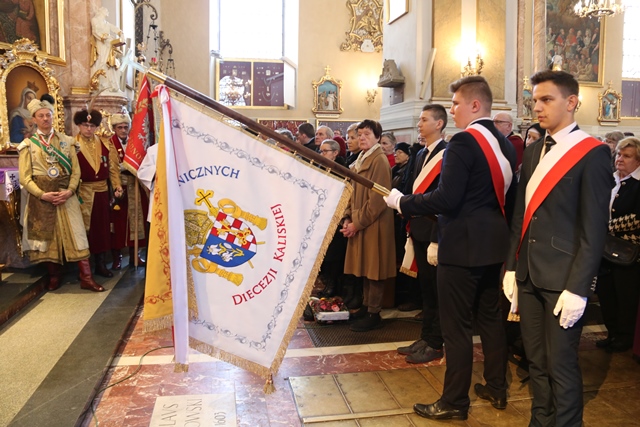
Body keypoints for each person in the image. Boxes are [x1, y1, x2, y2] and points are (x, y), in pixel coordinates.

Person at [384, 76, 517, 420]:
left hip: (461, 247)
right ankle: (496, 387)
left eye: (456, 103)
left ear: (475, 105)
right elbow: (508, 198)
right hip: (493, 245)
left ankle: (455, 401)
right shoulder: (504, 144)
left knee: (455, 327)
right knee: (490, 319)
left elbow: (447, 198)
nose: (453, 109)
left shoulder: (463, 142)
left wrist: (403, 202)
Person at [503, 70, 612, 427]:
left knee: (561, 364)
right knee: (535, 360)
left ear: (571, 102)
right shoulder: (534, 150)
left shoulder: (593, 153)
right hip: (529, 274)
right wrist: (511, 267)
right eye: (535, 100)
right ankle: (540, 421)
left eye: (546, 99)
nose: (537, 107)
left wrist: (580, 288)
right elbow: (520, 215)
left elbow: (594, 229)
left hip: (564, 279)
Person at [18, 99, 104, 292]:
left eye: (48, 115)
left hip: (67, 195)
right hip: (42, 199)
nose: (45, 119)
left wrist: (70, 190)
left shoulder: (68, 141)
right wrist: (42, 195)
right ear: (34, 119)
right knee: (48, 239)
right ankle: (54, 276)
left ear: (53, 117)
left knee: (78, 235)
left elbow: (76, 171)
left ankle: (86, 277)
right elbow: (25, 177)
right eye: (41, 116)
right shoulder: (28, 145)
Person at [395, 103, 448, 364]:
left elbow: (442, 201)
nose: (419, 123)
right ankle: (426, 336)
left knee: (437, 290)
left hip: (434, 231)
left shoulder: (447, 154)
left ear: (439, 124)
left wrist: (436, 237)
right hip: (418, 228)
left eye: (424, 119)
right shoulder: (420, 154)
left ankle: (436, 342)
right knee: (425, 288)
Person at [341, 119, 396, 332]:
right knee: (365, 267)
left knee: (375, 268)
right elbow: (351, 191)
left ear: (377, 138)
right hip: (361, 221)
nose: (362, 138)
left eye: (367, 134)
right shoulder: (361, 158)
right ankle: (366, 306)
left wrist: (357, 223)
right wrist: (347, 217)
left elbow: (378, 200)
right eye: (360, 134)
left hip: (375, 223)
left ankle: (374, 312)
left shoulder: (379, 160)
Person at [596, 137, 640, 353]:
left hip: (628, 251)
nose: (620, 159)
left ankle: (624, 336)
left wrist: (603, 226)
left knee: (626, 296)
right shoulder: (610, 179)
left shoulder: (638, 184)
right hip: (604, 249)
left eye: (627, 156)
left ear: (638, 161)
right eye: (619, 154)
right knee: (606, 293)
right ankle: (612, 332)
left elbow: (637, 219)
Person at [74, 109, 123, 278]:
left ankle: (100, 264)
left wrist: (117, 186)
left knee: (101, 229)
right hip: (82, 192)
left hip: (102, 192)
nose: (88, 129)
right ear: (79, 125)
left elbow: (113, 169)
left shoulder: (106, 144)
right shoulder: (72, 144)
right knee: (83, 229)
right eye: (85, 125)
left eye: (92, 126)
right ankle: (84, 268)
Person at [109, 112, 147, 269]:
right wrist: (117, 186)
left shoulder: (135, 143)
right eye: (120, 127)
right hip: (120, 189)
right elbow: (112, 169)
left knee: (137, 223)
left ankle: (135, 255)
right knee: (118, 225)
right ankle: (117, 257)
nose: (123, 130)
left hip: (136, 186)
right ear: (114, 128)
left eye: (126, 127)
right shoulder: (110, 144)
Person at [316, 139, 348, 298]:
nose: (321, 154)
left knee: (334, 254)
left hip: (336, 216)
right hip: (322, 215)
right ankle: (327, 281)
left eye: (325, 151)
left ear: (335, 153)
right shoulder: (320, 167)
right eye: (320, 151)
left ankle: (333, 285)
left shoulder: (341, 170)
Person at [91, 7, 124, 92]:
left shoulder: (107, 23)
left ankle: (108, 83)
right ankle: (101, 82)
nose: (107, 12)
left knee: (108, 62)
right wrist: (102, 36)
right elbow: (95, 31)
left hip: (109, 44)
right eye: (106, 10)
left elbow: (115, 29)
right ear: (101, 11)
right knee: (101, 60)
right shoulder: (95, 20)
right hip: (101, 43)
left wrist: (120, 32)